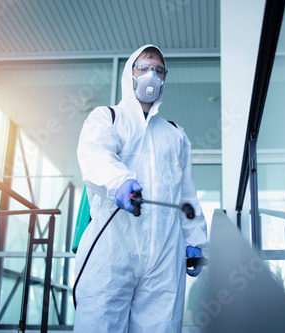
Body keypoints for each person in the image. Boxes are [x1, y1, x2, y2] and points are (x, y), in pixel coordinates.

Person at [74, 44, 209, 332]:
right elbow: (95, 156)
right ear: (129, 74)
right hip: (111, 250)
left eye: (159, 70)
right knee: (100, 324)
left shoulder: (174, 134)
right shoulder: (107, 117)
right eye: (144, 68)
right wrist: (120, 181)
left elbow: (187, 195)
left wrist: (196, 240)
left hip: (164, 254)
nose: (152, 75)